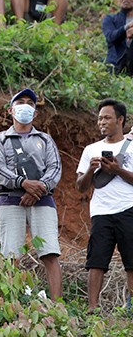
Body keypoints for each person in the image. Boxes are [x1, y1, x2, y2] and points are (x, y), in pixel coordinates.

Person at [0, 88, 63, 299]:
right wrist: (23, 183)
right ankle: (11, 302)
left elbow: (55, 169)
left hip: (43, 200)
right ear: (10, 110)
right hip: (9, 200)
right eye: (20, 102)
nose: (25, 106)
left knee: (50, 252)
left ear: (35, 112)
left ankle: (58, 304)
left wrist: (37, 190)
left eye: (30, 103)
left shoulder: (46, 139)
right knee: (11, 255)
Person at [75, 99, 133, 313]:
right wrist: (91, 170)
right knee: (96, 260)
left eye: (107, 117)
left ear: (120, 120)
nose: (102, 122)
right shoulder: (91, 149)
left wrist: (118, 170)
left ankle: (131, 308)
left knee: (131, 261)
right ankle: (92, 308)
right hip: (100, 212)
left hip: (129, 208)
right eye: (100, 118)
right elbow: (81, 187)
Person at [101, 0, 133, 75]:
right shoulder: (110, 19)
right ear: (118, 0)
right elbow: (111, 37)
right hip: (116, 64)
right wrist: (127, 27)